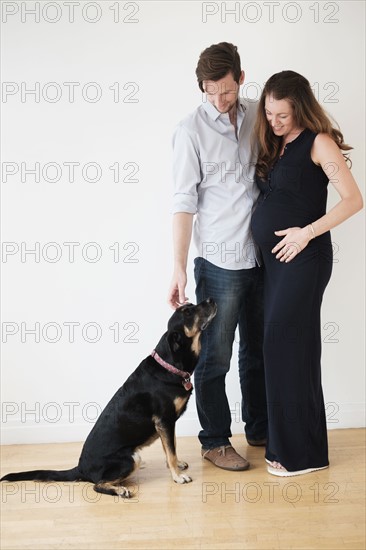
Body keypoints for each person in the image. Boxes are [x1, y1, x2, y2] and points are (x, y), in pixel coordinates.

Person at [251, 70, 363, 477]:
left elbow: (353, 200)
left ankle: (300, 456)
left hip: (305, 261)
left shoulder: (319, 143)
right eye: (269, 113)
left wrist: (306, 233)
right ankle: (299, 448)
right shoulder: (277, 143)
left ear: (299, 107)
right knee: (284, 349)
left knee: (286, 346)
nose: (275, 122)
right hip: (277, 266)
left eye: (282, 115)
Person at [167, 42, 268, 471]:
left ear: (241, 79)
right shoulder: (190, 130)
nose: (218, 101)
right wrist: (177, 266)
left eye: (225, 91)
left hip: (263, 258)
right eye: (210, 91)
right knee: (215, 357)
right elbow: (183, 201)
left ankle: (260, 428)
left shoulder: (260, 116)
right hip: (219, 262)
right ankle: (213, 440)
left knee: (259, 351)